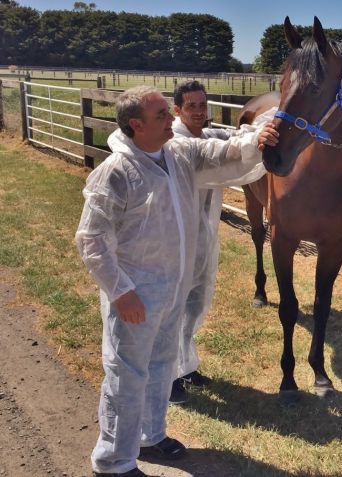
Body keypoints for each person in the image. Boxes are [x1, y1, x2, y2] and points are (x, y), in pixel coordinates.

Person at [76, 85, 277, 477]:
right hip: (136, 294)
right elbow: (92, 240)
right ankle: (113, 460)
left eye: (171, 113)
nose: (173, 120)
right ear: (136, 124)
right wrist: (120, 291)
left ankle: (151, 434)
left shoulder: (178, 153)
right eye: (162, 116)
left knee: (162, 364)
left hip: (172, 288)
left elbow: (223, 153)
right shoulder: (116, 173)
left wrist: (260, 137)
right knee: (127, 373)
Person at [169, 80, 272, 403]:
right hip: (174, 238)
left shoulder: (206, 133)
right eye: (191, 106)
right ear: (177, 110)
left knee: (195, 301)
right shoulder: (176, 142)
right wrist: (257, 139)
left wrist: (276, 118)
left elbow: (233, 137)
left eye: (203, 105)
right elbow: (221, 152)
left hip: (201, 235)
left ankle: (185, 366)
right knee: (173, 306)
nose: (199, 111)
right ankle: (166, 377)